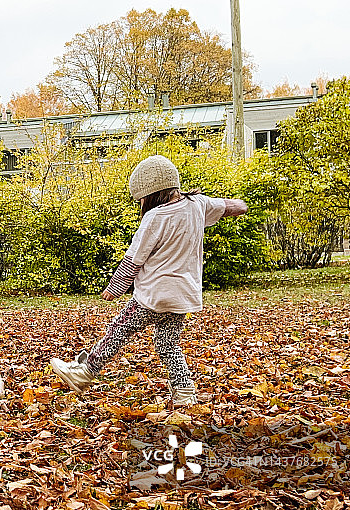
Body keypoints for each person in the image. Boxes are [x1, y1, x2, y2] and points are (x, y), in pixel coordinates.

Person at [51, 155, 248, 405]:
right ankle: (184, 390)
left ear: (152, 194)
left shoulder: (154, 218)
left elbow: (134, 258)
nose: (141, 204)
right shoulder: (198, 204)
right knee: (168, 344)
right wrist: (240, 205)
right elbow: (232, 207)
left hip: (152, 296)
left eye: (142, 199)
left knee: (119, 329)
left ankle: (84, 372)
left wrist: (115, 288)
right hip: (182, 297)